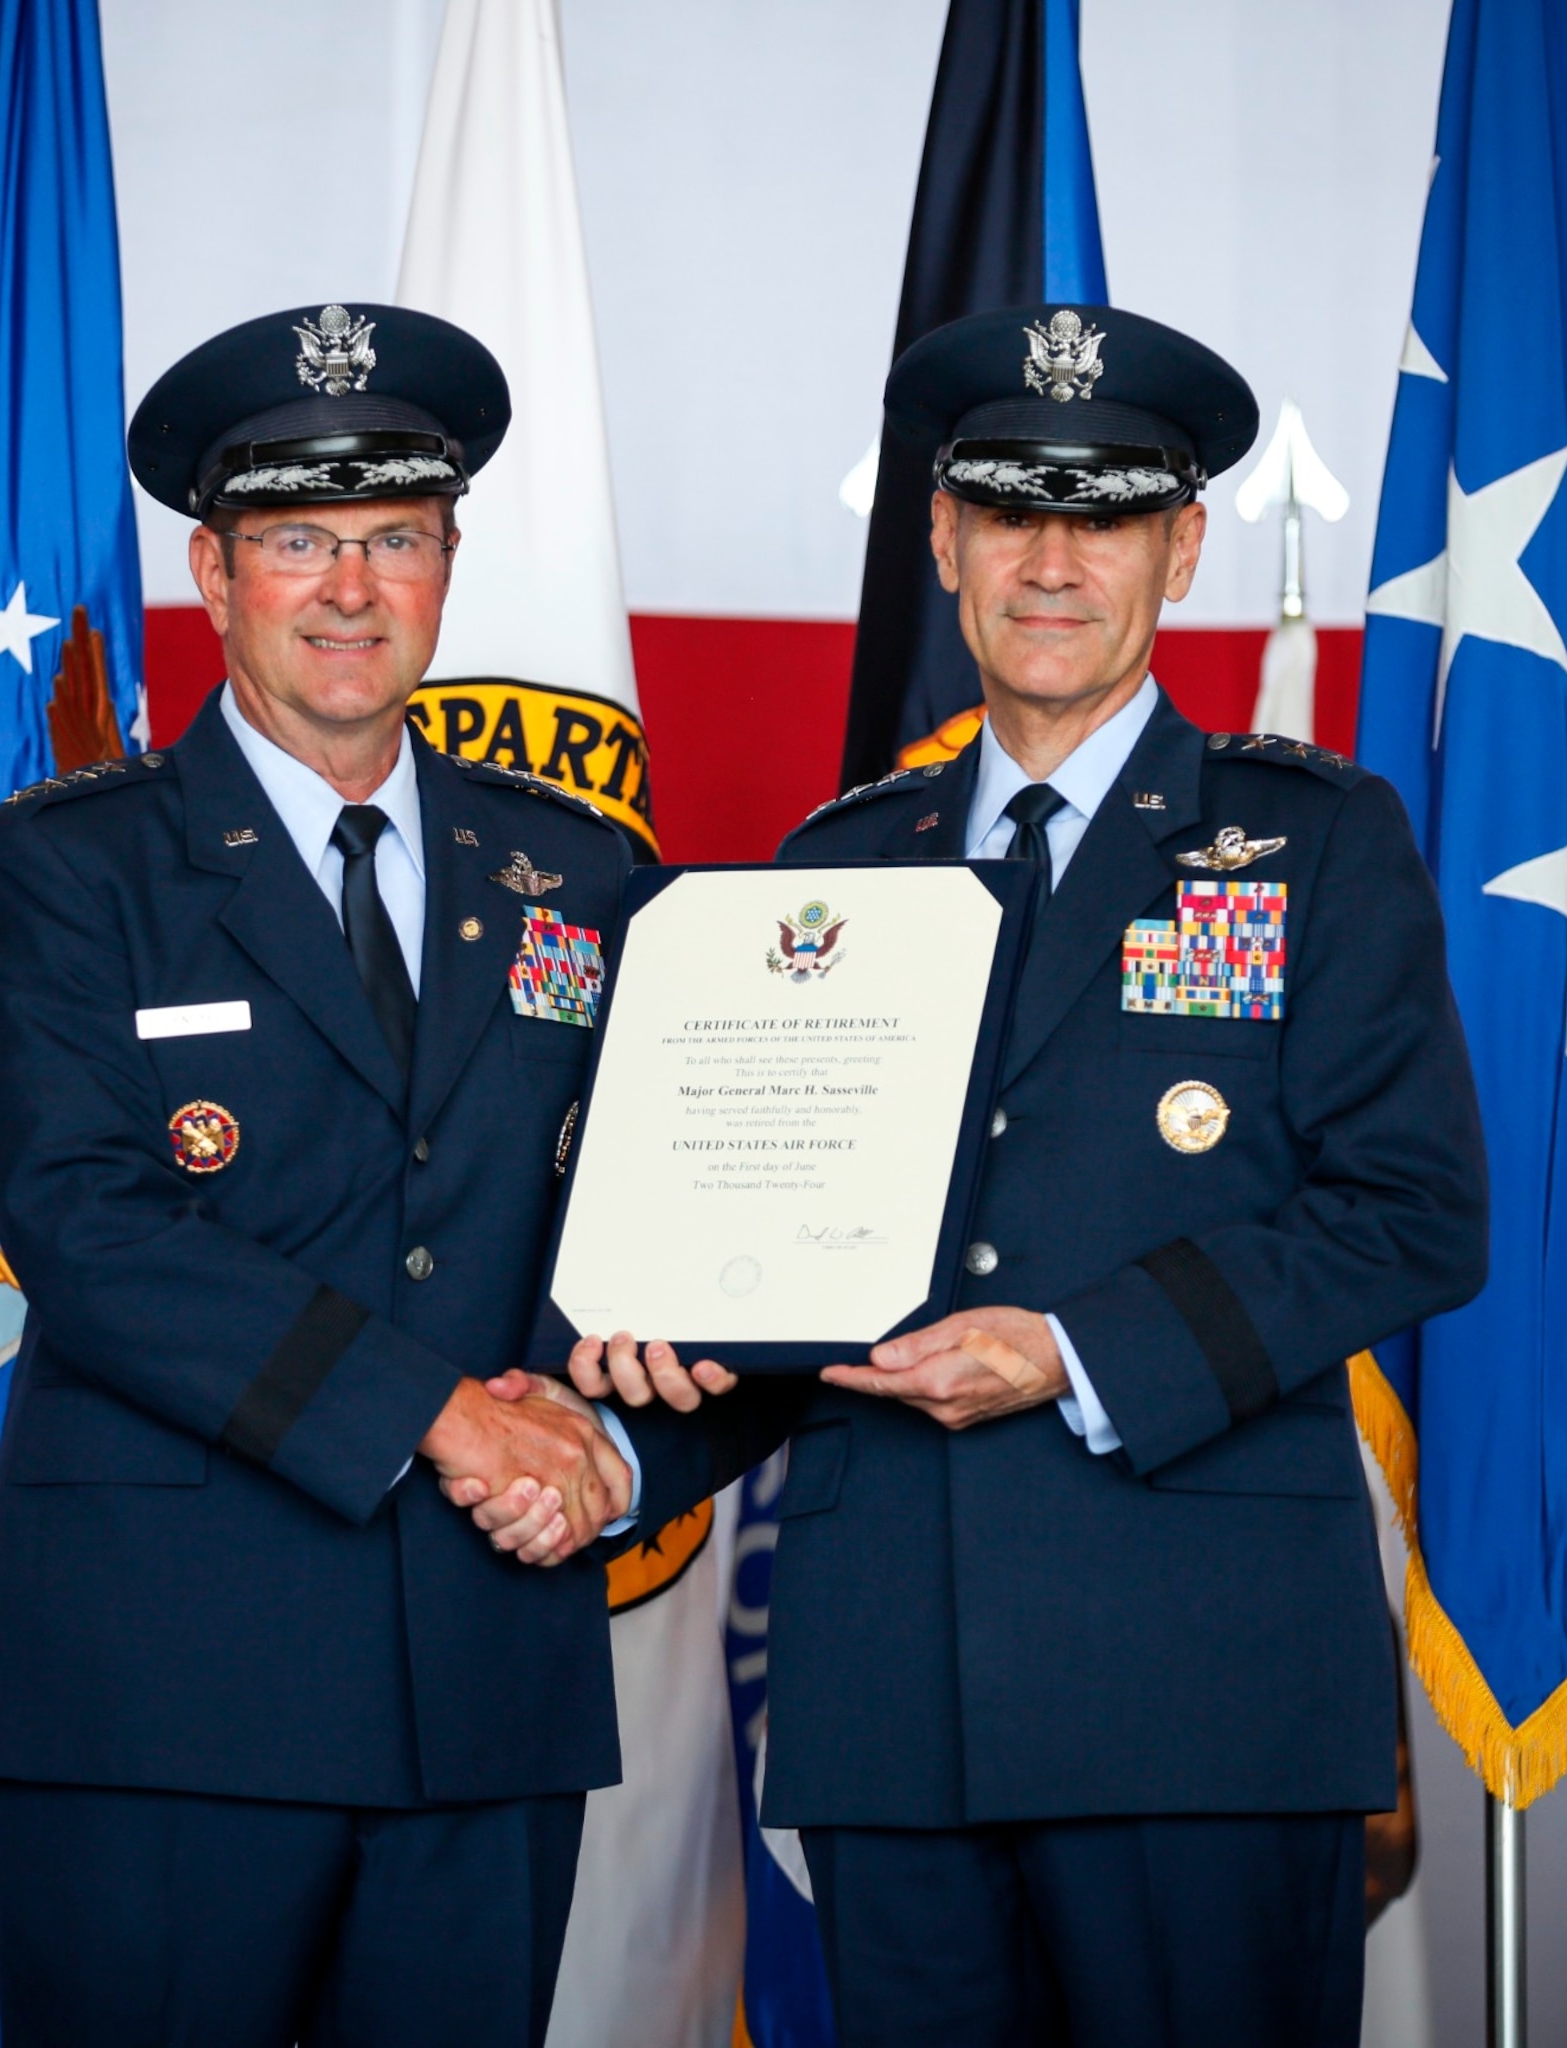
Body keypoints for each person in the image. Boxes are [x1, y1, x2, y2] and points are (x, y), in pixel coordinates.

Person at [558, 304, 1491, 2046]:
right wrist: (620, 1424)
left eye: (1110, 514)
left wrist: (1071, 1351)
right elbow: (780, 1277)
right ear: (944, 538)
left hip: (1200, 1690)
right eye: (1007, 508)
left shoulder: (1318, 842)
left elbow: (1416, 1214)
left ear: (1183, 545)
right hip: (893, 1686)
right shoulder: (833, 867)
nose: (1054, 561)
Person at [0, 302, 651, 2046]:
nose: (351, 588)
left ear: (447, 560)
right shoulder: (76, 868)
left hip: (485, 1680)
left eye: (395, 539)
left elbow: (668, 1237)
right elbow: (93, 1230)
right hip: (169, 1697)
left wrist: (617, 1449)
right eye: (299, 541)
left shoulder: (584, 878)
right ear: (212, 568)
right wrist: (450, 1418)